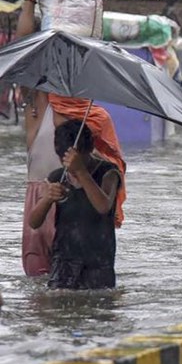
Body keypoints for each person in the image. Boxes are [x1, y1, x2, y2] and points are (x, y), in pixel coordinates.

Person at [17, 0, 126, 276]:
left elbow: (108, 179)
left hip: (84, 216)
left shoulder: (97, 118)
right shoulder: (40, 102)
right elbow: (21, 50)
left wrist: (79, 168)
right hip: (42, 202)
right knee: (42, 295)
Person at [28, 120, 121, 290]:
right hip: (64, 260)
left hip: (98, 264)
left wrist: (81, 172)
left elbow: (103, 207)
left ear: (89, 150)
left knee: (98, 307)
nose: (70, 167)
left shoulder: (109, 173)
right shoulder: (58, 177)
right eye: (65, 161)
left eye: (76, 160)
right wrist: (47, 199)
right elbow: (34, 222)